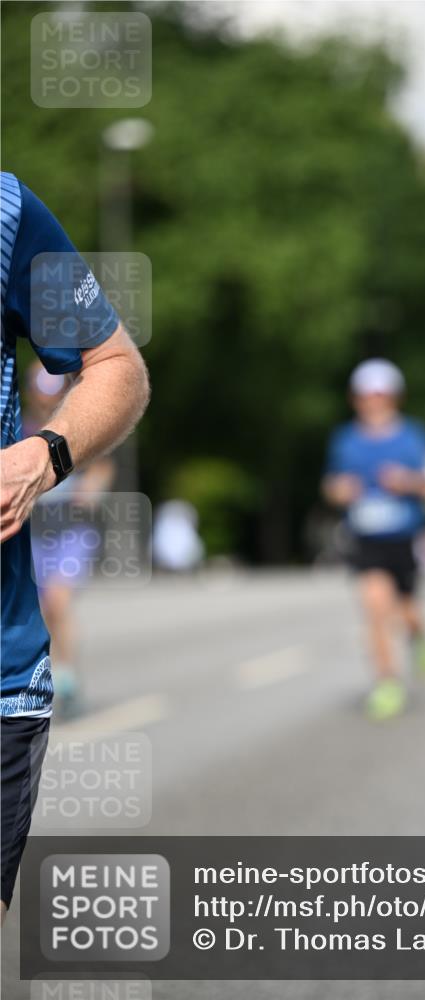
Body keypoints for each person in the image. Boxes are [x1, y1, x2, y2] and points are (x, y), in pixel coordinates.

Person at [0, 172, 149, 918]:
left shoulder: (5, 209)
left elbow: (115, 366)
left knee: (61, 597)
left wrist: (45, 455)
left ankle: (73, 671)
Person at [322, 359, 425, 721]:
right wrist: (341, 491)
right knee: (375, 607)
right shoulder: (346, 440)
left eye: (380, 394)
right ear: (355, 399)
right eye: (365, 395)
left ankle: (420, 638)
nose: (373, 401)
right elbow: (331, 485)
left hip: (403, 536)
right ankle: (387, 683)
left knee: (408, 613)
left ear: (394, 397)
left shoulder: (413, 436)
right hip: (365, 537)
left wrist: (406, 482)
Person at [23, 361, 117, 718]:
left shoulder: (76, 424)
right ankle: (53, 674)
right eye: (41, 393)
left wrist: (91, 488)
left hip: (73, 532)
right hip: (38, 534)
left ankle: (66, 680)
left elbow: (103, 465)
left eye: (53, 393)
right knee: (44, 608)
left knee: (59, 602)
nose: (47, 401)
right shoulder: (19, 428)